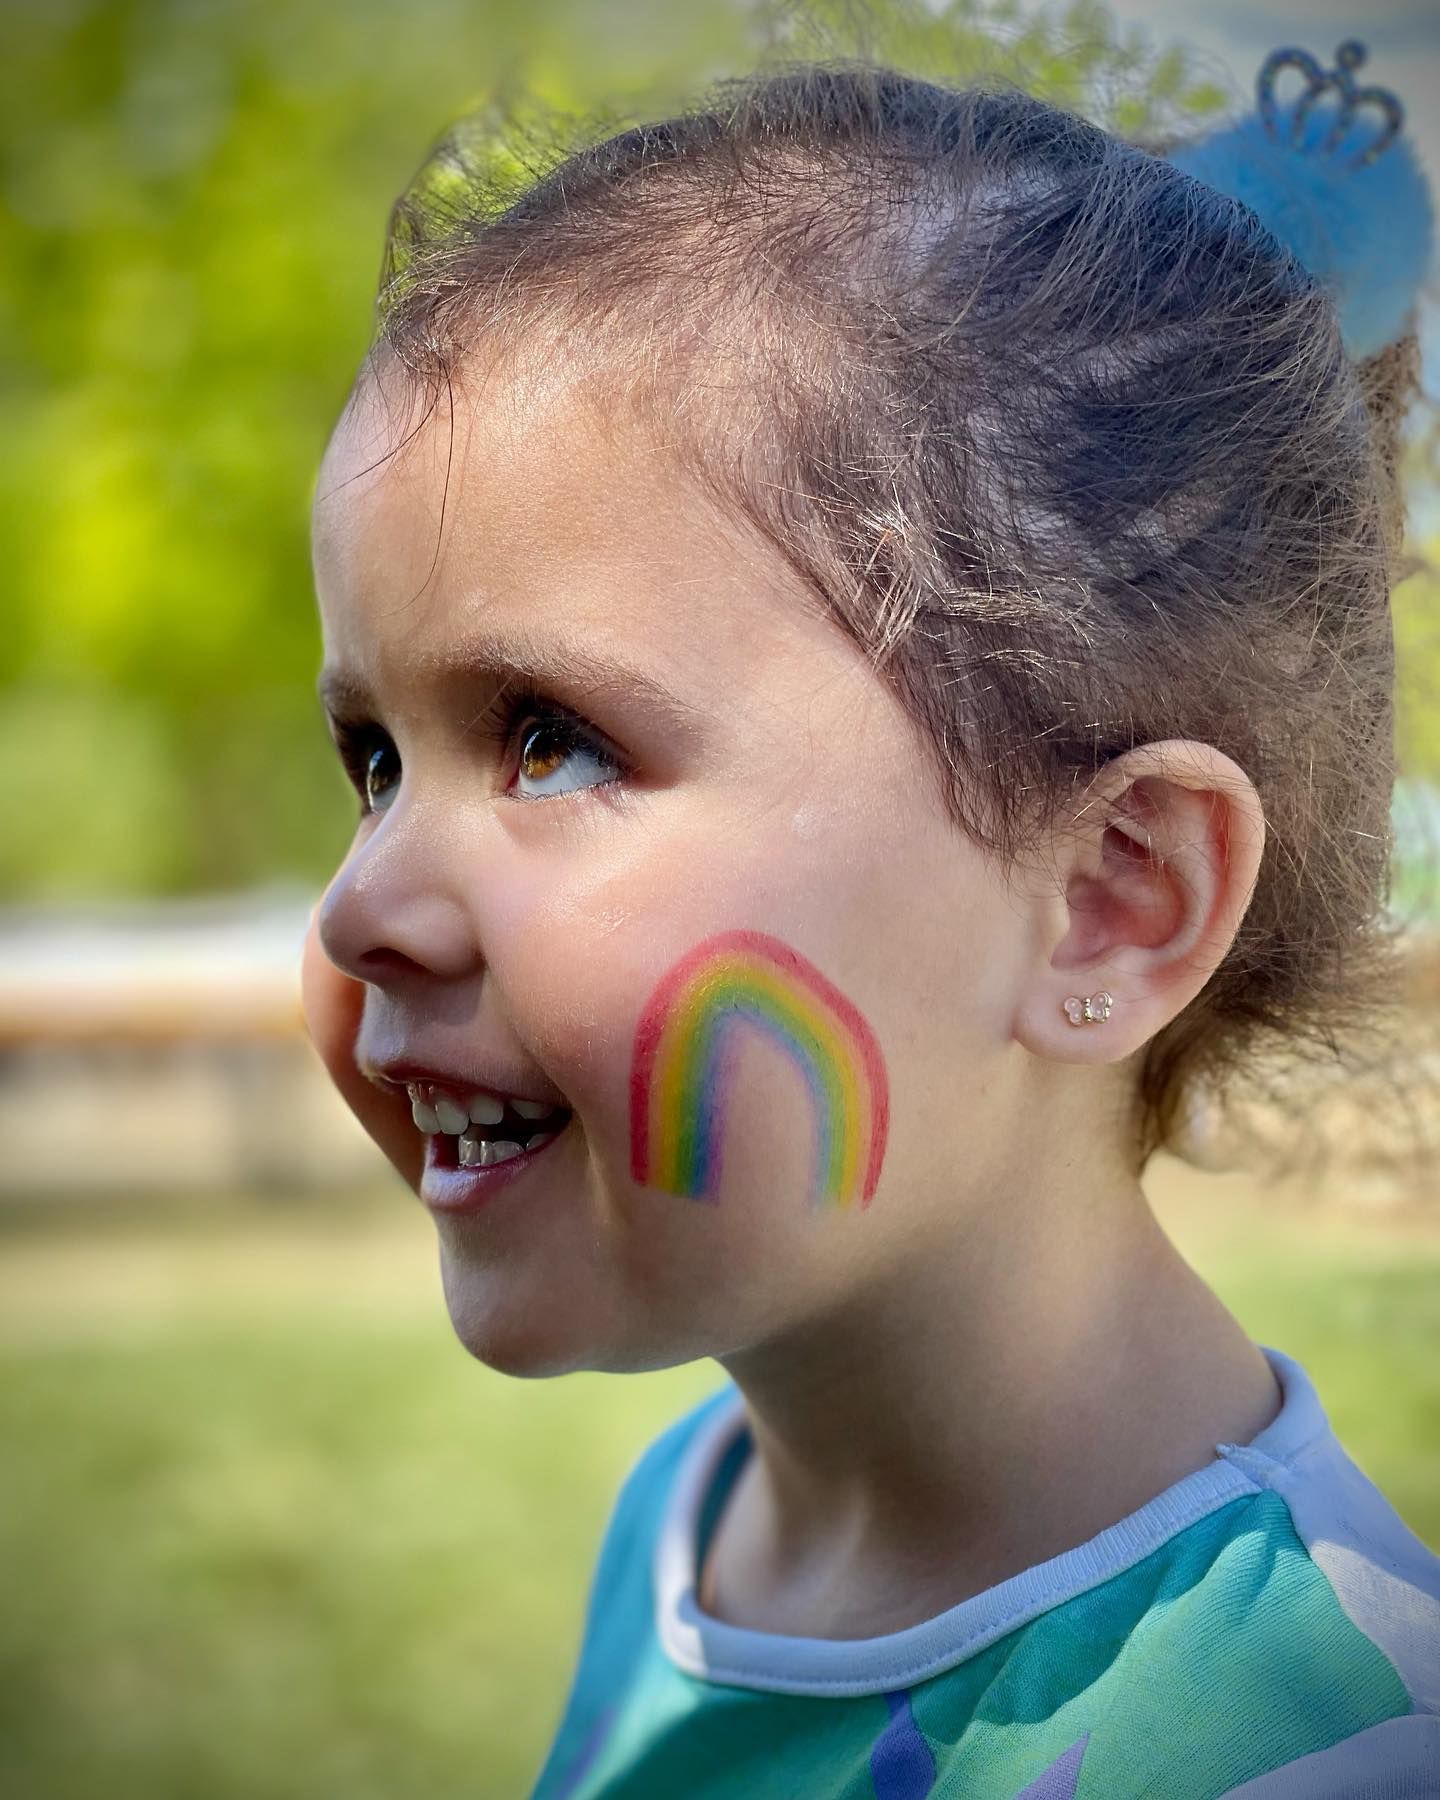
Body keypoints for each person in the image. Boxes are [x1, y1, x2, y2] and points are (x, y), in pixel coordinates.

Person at [299, 29, 1440, 1799]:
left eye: (550, 741)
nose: (367, 898)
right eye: (375, 757)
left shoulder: (1321, 1751)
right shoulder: (698, 1521)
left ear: (1109, 900)